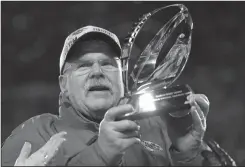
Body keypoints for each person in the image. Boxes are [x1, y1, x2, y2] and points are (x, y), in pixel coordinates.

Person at [1, 25, 236, 166]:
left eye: (108, 63)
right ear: (63, 84)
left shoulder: (161, 127)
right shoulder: (36, 133)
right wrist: (102, 154)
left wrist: (188, 154)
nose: (97, 72)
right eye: (83, 65)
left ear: (122, 79)